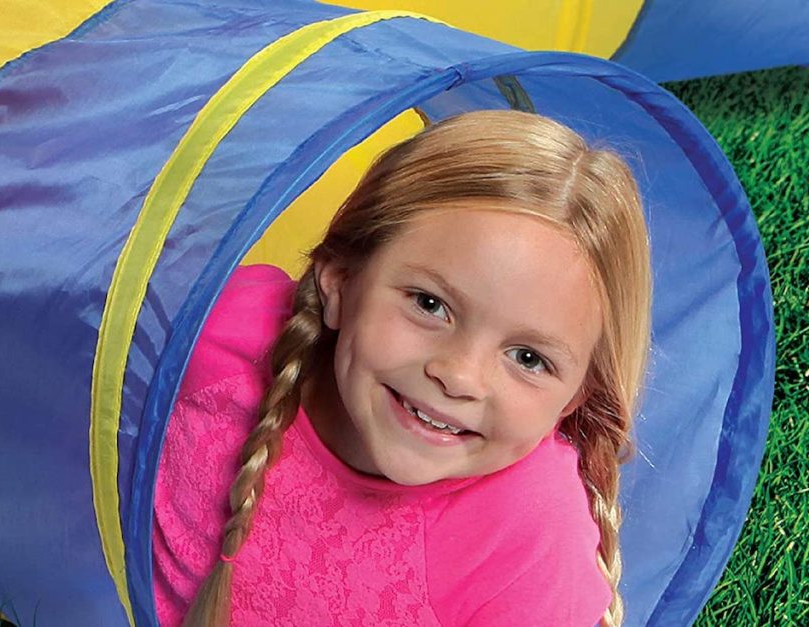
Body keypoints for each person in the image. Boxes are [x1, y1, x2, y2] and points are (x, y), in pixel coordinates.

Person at [152, 109, 652, 627]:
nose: (459, 376)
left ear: (573, 397)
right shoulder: (215, 333)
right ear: (341, 281)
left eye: (528, 358)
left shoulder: (532, 539)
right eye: (430, 304)